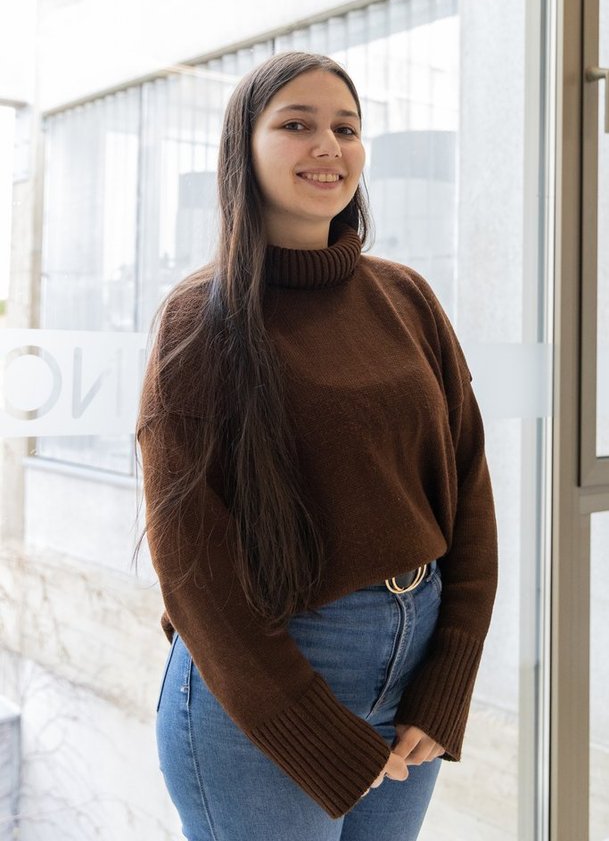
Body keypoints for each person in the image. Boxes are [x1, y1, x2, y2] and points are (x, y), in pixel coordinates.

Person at [133, 50, 498, 841]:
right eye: (296, 125)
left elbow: (467, 489)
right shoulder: (199, 319)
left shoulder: (406, 297)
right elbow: (191, 561)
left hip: (411, 667)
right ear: (244, 148)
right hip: (261, 691)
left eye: (346, 127)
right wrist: (313, 731)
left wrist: (445, 682)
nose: (327, 144)